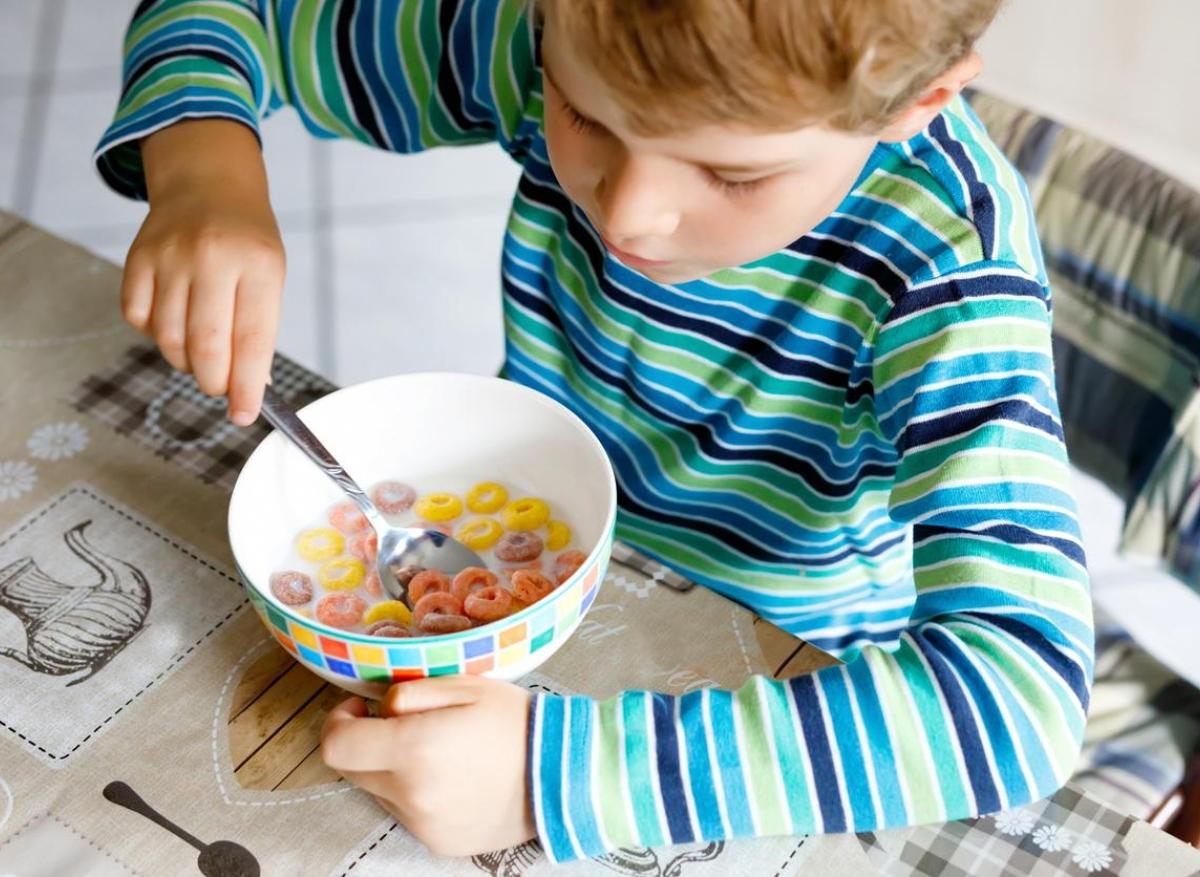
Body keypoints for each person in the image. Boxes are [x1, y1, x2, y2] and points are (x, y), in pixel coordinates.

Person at [95, 0, 1092, 862]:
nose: (631, 213)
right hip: (533, 602)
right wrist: (204, 170)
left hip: (771, 700)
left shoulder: (949, 263)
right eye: (584, 115)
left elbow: (1018, 703)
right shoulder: (539, 32)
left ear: (918, 103)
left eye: (731, 174)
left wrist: (554, 776)